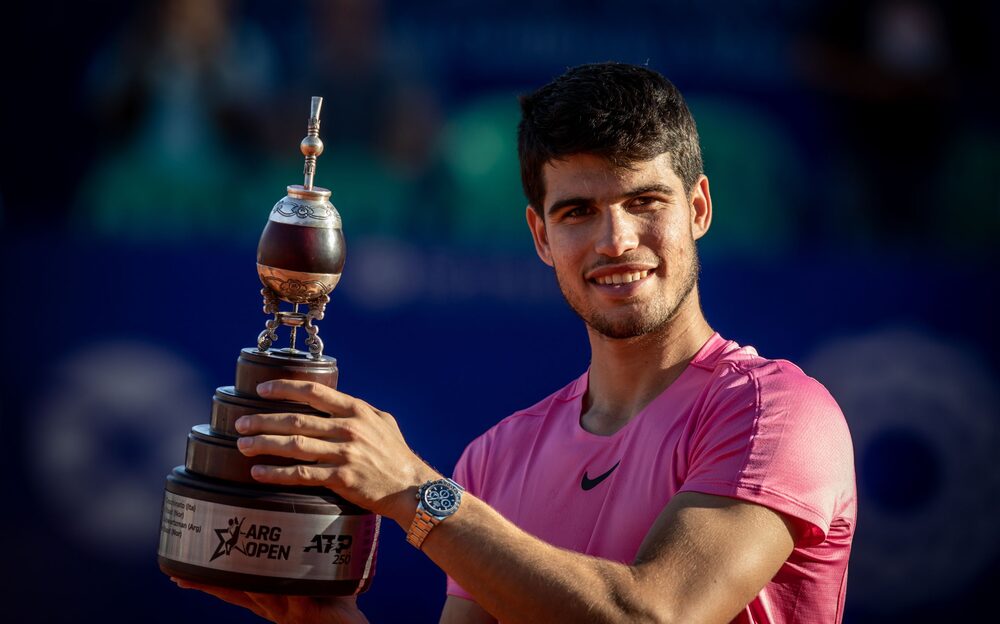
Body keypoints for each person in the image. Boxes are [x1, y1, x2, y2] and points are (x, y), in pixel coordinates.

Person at [174, 62, 856, 623]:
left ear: (699, 209)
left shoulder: (778, 411)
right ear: (540, 237)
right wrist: (317, 614)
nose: (616, 240)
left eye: (644, 202)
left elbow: (657, 617)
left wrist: (416, 491)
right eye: (578, 212)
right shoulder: (495, 461)